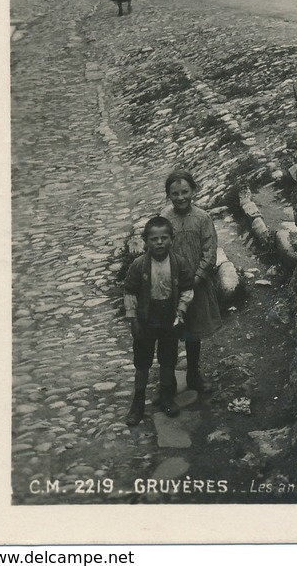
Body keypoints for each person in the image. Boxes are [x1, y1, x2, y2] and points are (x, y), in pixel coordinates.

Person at [123, 216, 195, 426]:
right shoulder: (139, 265)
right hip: (147, 319)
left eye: (164, 238)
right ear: (146, 241)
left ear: (172, 239)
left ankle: (166, 395)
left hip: (168, 319)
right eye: (154, 239)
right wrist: (133, 320)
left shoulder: (178, 263)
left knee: (168, 359)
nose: (160, 242)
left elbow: (187, 289)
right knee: (142, 362)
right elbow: (129, 291)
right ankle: (137, 401)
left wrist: (181, 310)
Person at [161, 170, 222, 395]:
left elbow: (209, 250)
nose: (180, 197)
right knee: (170, 331)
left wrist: (196, 278)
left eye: (185, 192)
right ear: (168, 195)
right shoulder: (165, 218)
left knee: (194, 331)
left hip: (197, 284)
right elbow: (158, 248)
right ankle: (167, 380)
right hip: (171, 286)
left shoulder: (202, 218)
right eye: (174, 193)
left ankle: (193, 374)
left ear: (193, 191)